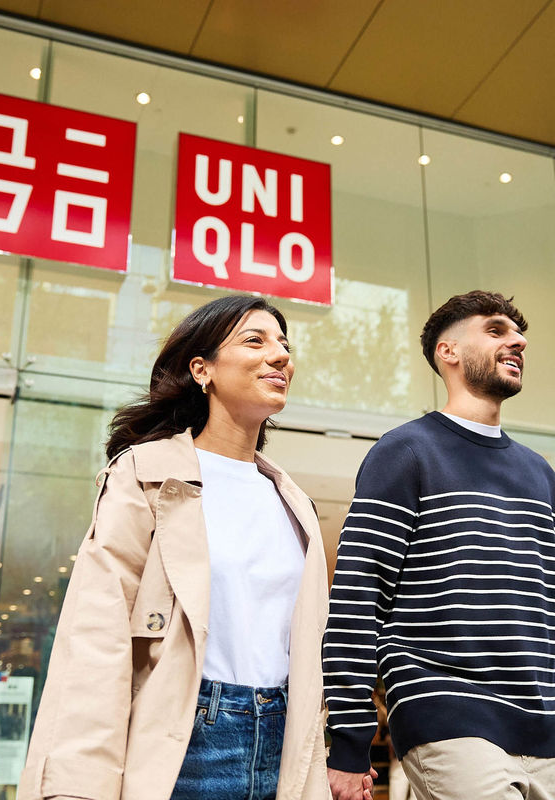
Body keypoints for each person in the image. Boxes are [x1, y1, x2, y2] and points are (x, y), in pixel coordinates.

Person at [324, 291, 555, 800]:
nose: (519, 342)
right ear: (447, 351)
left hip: (545, 733)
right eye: (495, 330)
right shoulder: (404, 453)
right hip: (446, 719)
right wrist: (349, 741)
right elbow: (358, 598)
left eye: (518, 334)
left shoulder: (540, 475)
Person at [18, 295, 331, 800]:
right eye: (255, 341)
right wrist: (77, 783)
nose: (280, 356)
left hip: (284, 740)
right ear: (202, 369)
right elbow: (97, 634)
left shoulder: (292, 501)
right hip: (186, 741)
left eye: (284, 345)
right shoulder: (145, 474)